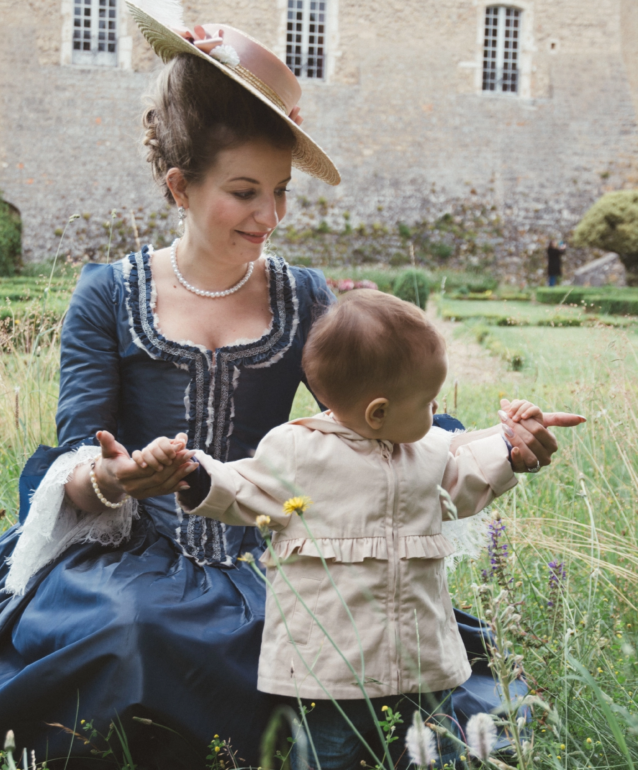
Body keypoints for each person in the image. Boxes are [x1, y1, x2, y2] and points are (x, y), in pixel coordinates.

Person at [0, 4, 572, 767]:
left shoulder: (303, 296)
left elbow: (387, 416)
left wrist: (501, 445)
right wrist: (116, 476)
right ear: (180, 186)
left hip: (269, 552)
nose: (269, 215)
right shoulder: (107, 294)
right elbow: (72, 461)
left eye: (281, 192)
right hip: (128, 557)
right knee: (128, 630)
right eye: (245, 192)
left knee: (344, 639)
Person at [137, 291, 585, 769]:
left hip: (421, 660)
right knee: (325, 755)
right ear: (378, 412)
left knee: (429, 752)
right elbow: (245, 485)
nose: (437, 410)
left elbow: (464, 476)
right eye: (428, 402)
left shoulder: (427, 451)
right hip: (332, 670)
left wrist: (511, 448)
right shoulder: (298, 451)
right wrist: (196, 472)